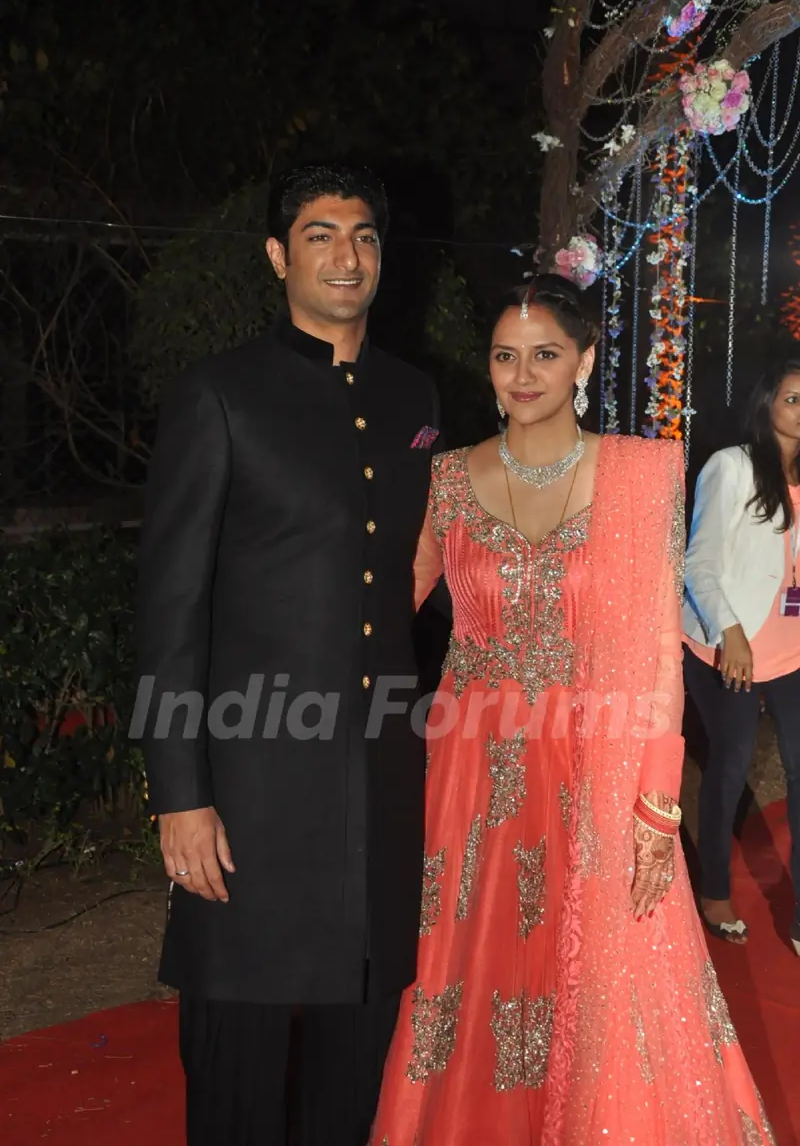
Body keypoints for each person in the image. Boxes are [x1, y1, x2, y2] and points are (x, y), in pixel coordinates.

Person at [369, 274, 775, 1145]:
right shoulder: (445, 479)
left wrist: (658, 800)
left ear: (584, 359)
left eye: (546, 354)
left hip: (597, 770)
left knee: (606, 977)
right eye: (506, 357)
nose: (523, 375)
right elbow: (375, 613)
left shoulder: (638, 473)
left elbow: (656, 653)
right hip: (470, 778)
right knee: (468, 973)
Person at [132, 163, 443, 1146]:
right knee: (238, 1044)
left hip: (376, 778)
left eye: (361, 236)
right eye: (319, 235)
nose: (344, 256)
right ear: (278, 256)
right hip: (251, 785)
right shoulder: (220, 394)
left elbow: (414, 558)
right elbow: (168, 605)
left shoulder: (414, 395)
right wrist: (179, 792)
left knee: (360, 1045)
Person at [683, 355, 800, 954]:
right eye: (793, 398)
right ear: (768, 404)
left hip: (791, 651)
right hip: (728, 643)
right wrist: (729, 632)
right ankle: (714, 890)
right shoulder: (731, 468)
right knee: (729, 766)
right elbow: (697, 562)